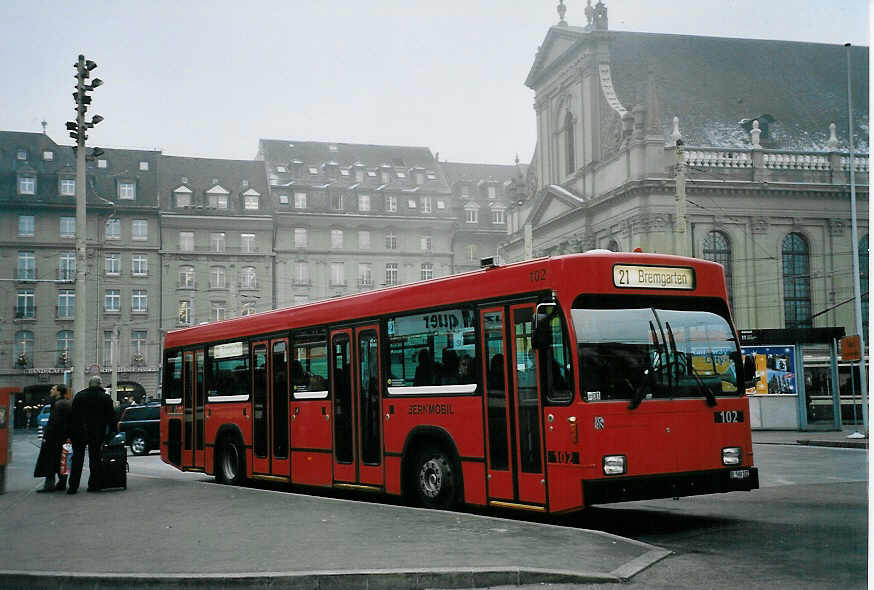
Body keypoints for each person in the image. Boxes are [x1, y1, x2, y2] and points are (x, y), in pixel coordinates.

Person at [68, 376, 118, 494]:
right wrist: (112, 431)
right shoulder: (105, 398)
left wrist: (70, 432)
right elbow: (111, 417)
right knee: (95, 458)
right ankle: (93, 485)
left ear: (89, 384)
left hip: (79, 432)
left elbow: (73, 416)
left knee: (77, 458)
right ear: (100, 384)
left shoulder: (79, 396)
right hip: (97, 432)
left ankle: (73, 486)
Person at [38, 384, 73, 492]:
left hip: (55, 438)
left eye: (53, 389)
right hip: (65, 437)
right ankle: (62, 483)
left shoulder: (57, 404)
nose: (51, 390)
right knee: (62, 460)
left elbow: (53, 422)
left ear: (58, 392)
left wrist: (46, 436)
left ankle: (49, 485)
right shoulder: (67, 403)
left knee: (50, 461)